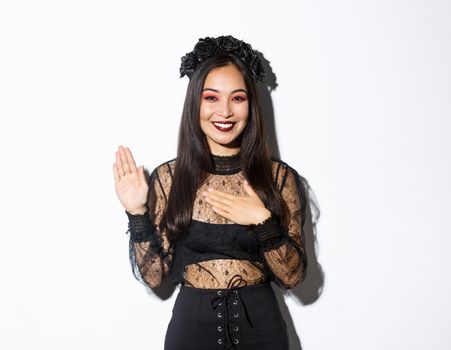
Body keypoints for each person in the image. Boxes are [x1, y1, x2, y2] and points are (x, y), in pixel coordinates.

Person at [113, 35, 307, 350]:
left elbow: (294, 277)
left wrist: (263, 220)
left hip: (263, 332)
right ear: (195, 103)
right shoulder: (168, 179)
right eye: (212, 98)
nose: (226, 112)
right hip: (191, 333)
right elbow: (154, 276)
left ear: (251, 105)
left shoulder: (279, 178)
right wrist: (137, 213)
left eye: (238, 98)